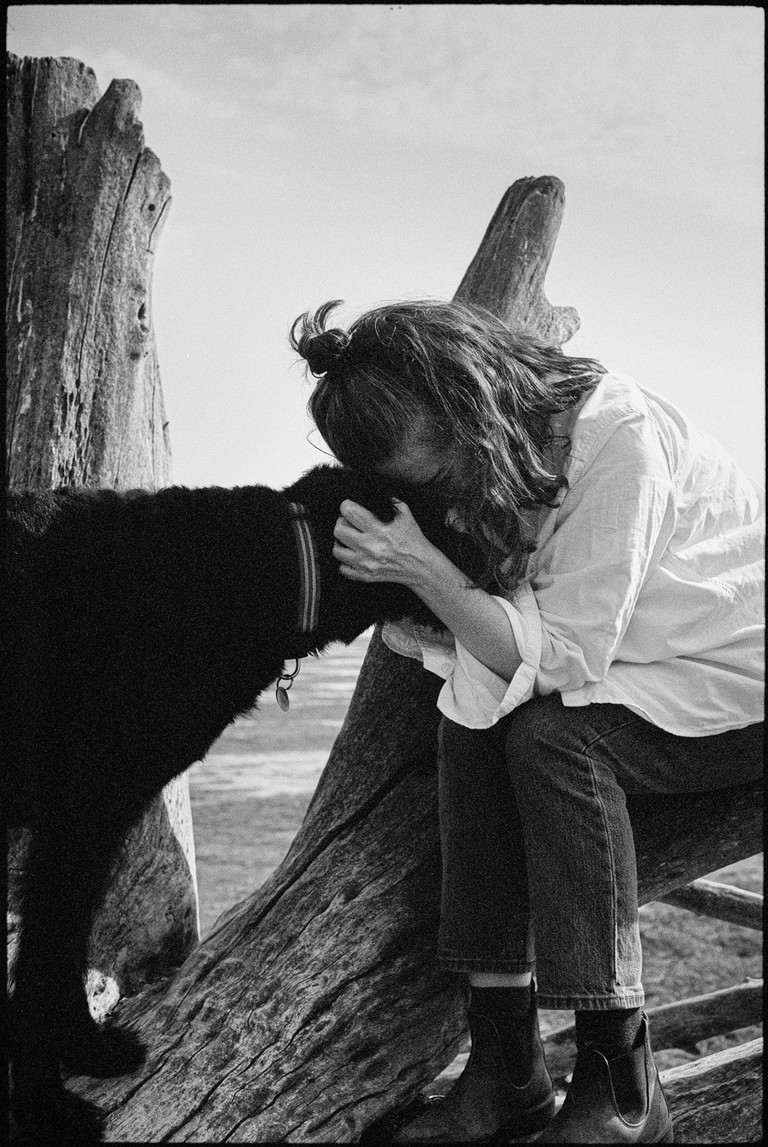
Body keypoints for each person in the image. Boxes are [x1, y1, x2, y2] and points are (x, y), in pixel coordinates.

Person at [289, 298, 764, 1144]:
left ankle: (623, 1088)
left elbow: (560, 658)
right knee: (468, 722)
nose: (447, 497)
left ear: (468, 398)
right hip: (645, 668)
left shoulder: (619, 444)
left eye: (437, 473)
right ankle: (505, 1073)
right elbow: (507, 650)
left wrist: (423, 569)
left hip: (737, 683)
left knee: (555, 741)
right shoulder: (501, 444)